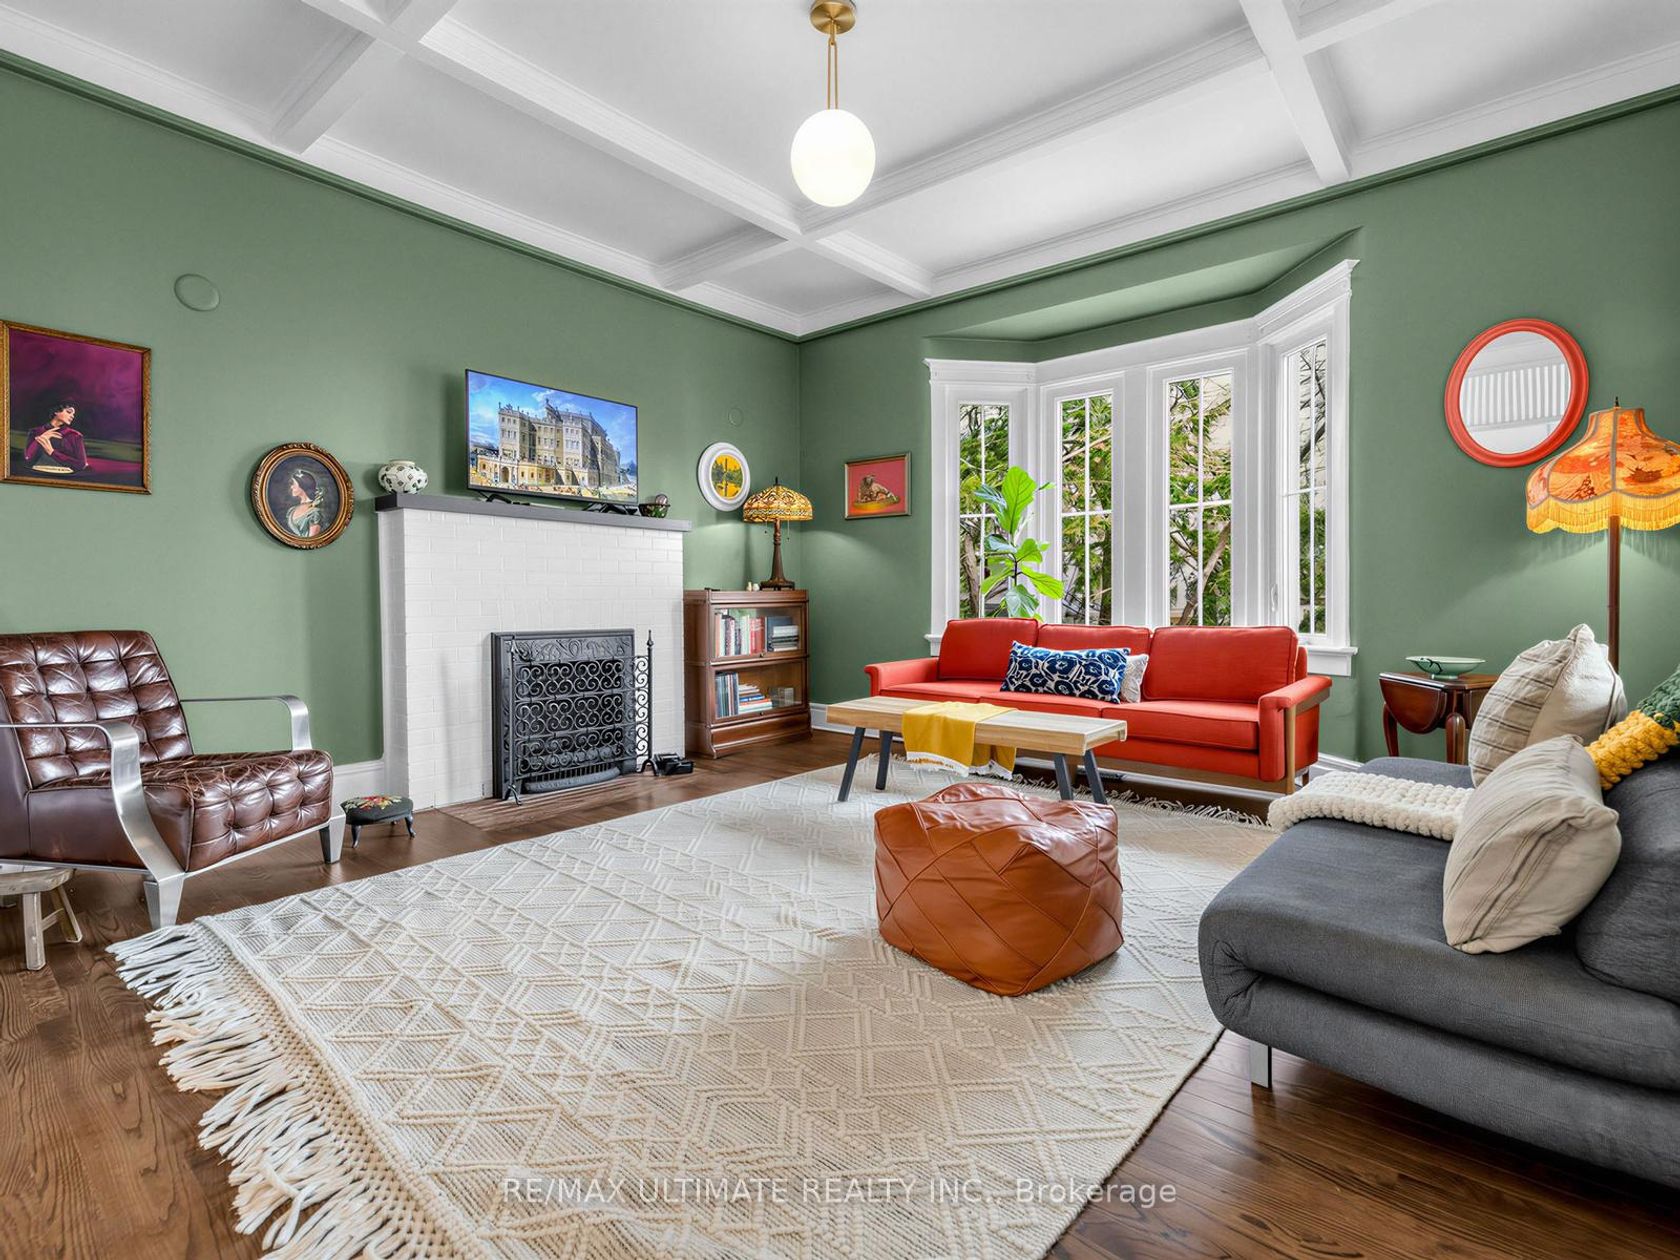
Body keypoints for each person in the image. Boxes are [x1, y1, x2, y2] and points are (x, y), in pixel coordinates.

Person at [22, 401, 88, 475]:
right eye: (69, 412)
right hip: (36, 475)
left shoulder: (75, 435)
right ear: (56, 411)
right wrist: (43, 437)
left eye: (73, 414)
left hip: (65, 477)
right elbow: (28, 458)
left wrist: (52, 452)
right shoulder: (35, 432)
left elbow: (81, 464)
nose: (72, 416)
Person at [285, 468, 328, 538]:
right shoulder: (291, 510)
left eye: (293, 484)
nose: (291, 487)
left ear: (303, 486)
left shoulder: (314, 513)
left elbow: (311, 540)